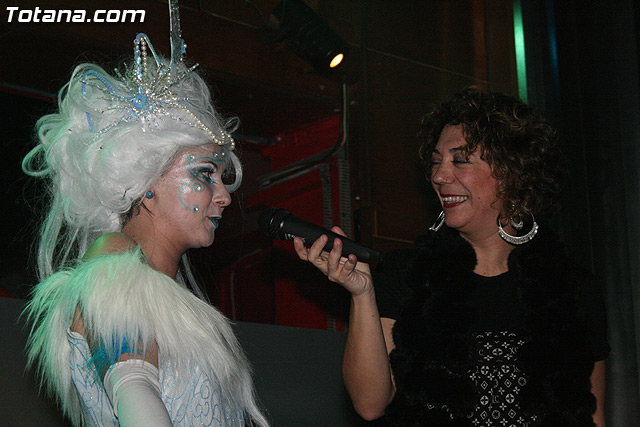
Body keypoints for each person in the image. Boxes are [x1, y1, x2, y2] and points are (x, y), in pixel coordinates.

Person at [294, 87, 608, 426]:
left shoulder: (572, 287)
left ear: (513, 173)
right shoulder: (407, 274)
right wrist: (362, 293)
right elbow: (370, 404)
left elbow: (592, 415)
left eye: (460, 160)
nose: (439, 176)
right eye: (435, 162)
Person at [22, 2, 268, 426]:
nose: (224, 196)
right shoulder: (114, 258)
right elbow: (135, 393)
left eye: (222, 176)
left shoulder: (162, 289)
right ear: (146, 180)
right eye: (204, 174)